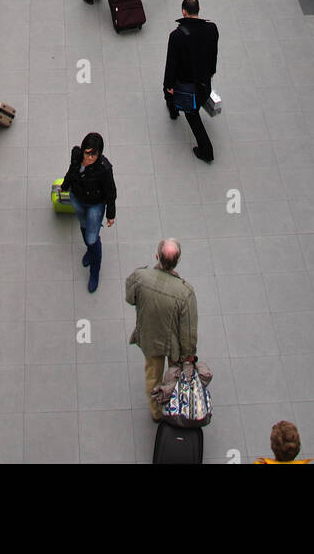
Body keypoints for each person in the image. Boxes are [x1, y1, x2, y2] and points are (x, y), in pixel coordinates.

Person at [126, 239, 198, 423]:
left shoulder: (139, 277)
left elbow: (130, 298)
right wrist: (188, 356)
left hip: (150, 337)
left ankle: (156, 411)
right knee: (175, 374)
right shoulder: (185, 292)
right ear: (178, 261)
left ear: (156, 256)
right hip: (174, 343)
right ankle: (175, 402)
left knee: (153, 376)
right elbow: (188, 330)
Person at [163, 0, 218, 163]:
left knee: (191, 114)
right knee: (195, 104)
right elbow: (213, 53)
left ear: (183, 12)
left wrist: (168, 84)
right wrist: (211, 72)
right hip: (204, 81)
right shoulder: (212, 29)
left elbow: (171, 63)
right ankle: (173, 108)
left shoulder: (177, 36)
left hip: (185, 84)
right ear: (199, 10)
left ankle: (206, 150)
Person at [61, 132, 117, 293]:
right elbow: (72, 171)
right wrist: (65, 186)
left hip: (95, 205)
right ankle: (90, 251)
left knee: (92, 238)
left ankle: (94, 270)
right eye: (88, 153)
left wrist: (110, 214)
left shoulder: (104, 168)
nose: (90, 158)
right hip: (77, 198)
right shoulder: (77, 155)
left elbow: (111, 192)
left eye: (94, 154)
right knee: (83, 226)